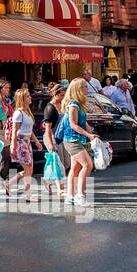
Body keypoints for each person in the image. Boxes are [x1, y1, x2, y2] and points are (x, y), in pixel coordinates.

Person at [63, 78, 95, 208]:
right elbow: (73, 125)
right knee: (87, 165)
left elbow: (84, 123)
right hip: (72, 140)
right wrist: (88, 135)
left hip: (77, 140)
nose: (87, 89)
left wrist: (91, 132)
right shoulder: (73, 104)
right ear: (78, 90)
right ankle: (80, 195)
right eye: (84, 87)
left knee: (75, 168)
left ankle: (70, 197)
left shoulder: (79, 104)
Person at [8, 88, 42, 200]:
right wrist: (13, 147)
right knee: (28, 169)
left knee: (29, 169)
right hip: (20, 142)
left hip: (27, 142)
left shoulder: (27, 112)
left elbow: (29, 130)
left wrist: (37, 142)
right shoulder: (18, 113)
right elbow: (14, 132)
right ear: (22, 98)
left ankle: (9, 184)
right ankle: (28, 195)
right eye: (27, 96)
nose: (30, 97)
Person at [42, 82, 66, 200]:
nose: (63, 97)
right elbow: (47, 129)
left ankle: (47, 180)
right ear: (55, 94)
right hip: (51, 137)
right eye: (61, 95)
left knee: (65, 163)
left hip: (60, 137)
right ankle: (60, 189)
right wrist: (51, 144)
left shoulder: (62, 104)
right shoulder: (49, 108)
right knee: (58, 163)